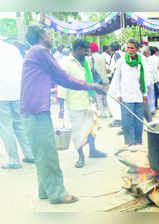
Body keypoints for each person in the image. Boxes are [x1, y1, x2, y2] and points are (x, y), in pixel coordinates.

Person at [20, 25, 104, 204]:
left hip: (33, 110)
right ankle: (58, 194)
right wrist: (92, 86)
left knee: (42, 152)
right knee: (47, 153)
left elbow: (59, 79)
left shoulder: (35, 53)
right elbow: (64, 78)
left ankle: (46, 191)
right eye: (49, 34)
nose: (50, 38)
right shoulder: (40, 51)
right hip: (35, 111)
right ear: (42, 36)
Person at [58, 39, 107, 168]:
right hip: (75, 104)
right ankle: (80, 156)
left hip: (88, 101)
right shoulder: (66, 63)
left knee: (91, 127)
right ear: (76, 49)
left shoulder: (85, 61)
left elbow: (89, 80)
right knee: (77, 133)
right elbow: (62, 85)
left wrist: (95, 96)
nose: (87, 52)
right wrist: (61, 106)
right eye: (85, 50)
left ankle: (93, 150)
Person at [0, 40, 34, 169]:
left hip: (1, 95)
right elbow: (22, 69)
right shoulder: (12, 49)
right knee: (20, 124)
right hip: (17, 91)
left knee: (5, 127)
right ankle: (30, 154)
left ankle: (13, 160)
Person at [113, 39, 150, 148]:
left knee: (138, 120)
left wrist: (145, 94)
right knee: (127, 121)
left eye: (132, 48)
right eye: (128, 48)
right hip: (125, 96)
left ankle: (138, 141)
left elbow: (145, 78)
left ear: (137, 49)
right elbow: (117, 78)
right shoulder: (121, 61)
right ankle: (129, 141)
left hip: (138, 95)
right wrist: (118, 93)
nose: (129, 50)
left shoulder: (141, 61)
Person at [89, 42, 110, 118]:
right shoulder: (102, 56)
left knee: (98, 97)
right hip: (105, 79)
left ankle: (102, 112)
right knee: (106, 97)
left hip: (98, 80)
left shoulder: (91, 58)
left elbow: (91, 69)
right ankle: (109, 112)